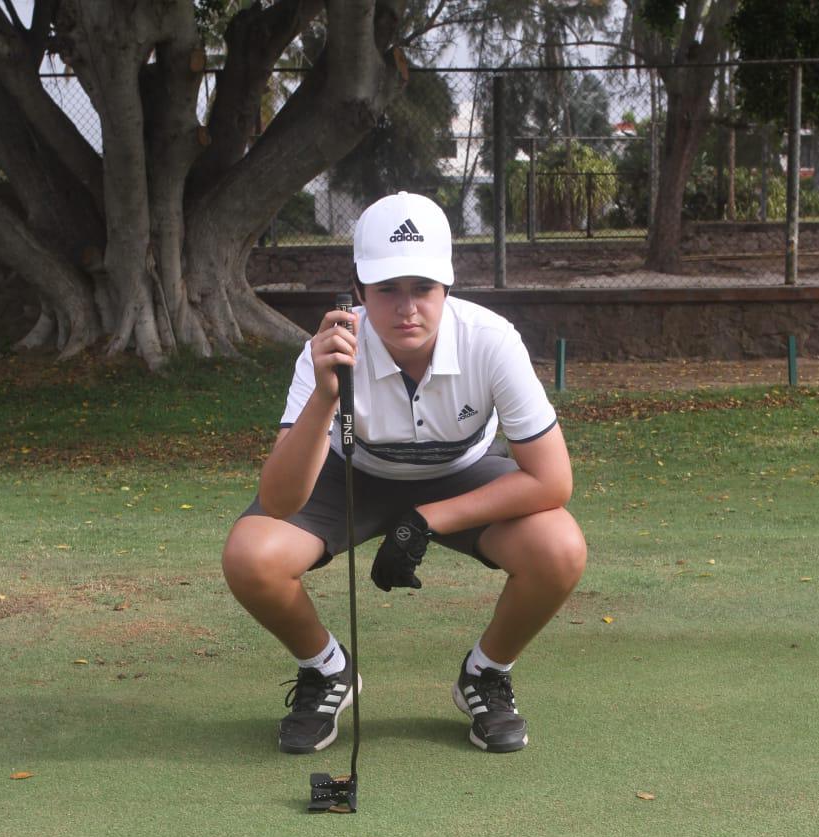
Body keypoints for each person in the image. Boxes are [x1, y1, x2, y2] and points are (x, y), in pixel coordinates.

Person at [222, 191, 586, 755]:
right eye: (387, 289)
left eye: (423, 288)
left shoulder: (491, 342)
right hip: (352, 474)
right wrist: (324, 396)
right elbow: (278, 498)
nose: (406, 307)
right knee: (252, 555)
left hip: (463, 476)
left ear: (447, 288)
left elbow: (552, 479)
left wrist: (425, 519)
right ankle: (326, 673)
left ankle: (485, 675)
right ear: (360, 290)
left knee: (560, 547)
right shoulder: (328, 349)